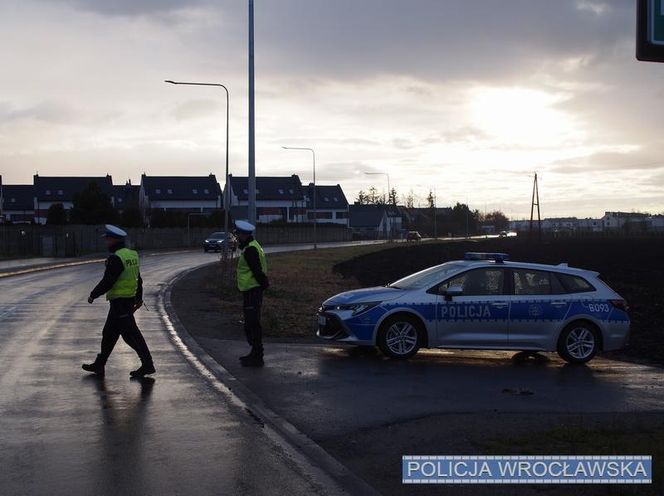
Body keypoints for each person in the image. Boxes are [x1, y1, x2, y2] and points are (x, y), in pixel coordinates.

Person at [82, 224, 155, 378]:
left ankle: (148, 364)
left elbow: (109, 280)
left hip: (121, 303)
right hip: (122, 302)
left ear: (115, 240)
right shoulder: (131, 255)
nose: (107, 243)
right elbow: (138, 278)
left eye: (108, 240)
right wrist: (139, 298)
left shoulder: (116, 258)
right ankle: (100, 364)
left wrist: (93, 294)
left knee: (131, 335)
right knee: (109, 333)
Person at [235, 220, 269, 367]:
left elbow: (257, 270)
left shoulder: (250, 250)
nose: (236, 237)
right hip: (252, 289)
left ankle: (257, 356)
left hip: (252, 290)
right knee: (252, 323)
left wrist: (263, 284)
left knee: (252, 324)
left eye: (237, 235)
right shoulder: (254, 246)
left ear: (243, 235)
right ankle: (255, 353)